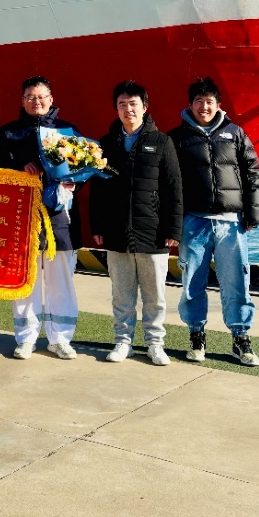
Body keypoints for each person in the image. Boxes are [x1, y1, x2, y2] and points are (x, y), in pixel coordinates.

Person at [169, 77, 259, 366]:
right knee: (192, 282)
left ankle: (240, 337)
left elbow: (252, 172)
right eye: (198, 101)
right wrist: (173, 222)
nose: (204, 107)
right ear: (190, 104)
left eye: (209, 101)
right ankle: (196, 335)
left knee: (237, 282)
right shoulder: (177, 138)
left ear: (218, 104)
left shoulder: (235, 133)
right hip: (194, 222)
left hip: (231, 224)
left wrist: (253, 212)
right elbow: (169, 183)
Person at [0, 76, 81, 361]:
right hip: (21, 217)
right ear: (22, 100)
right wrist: (19, 168)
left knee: (61, 280)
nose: (36, 101)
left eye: (41, 96)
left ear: (51, 99)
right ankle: (26, 337)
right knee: (24, 280)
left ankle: (60, 339)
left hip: (58, 218)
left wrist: (70, 181)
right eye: (30, 97)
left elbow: (83, 169)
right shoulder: (8, 133)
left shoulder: (67, 131)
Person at [90, 80, 182, 366]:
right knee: (122, 293)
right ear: (116, 109)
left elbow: (174, 188)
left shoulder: (162, 142)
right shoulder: (106, 144)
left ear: (145, 107)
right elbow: (98, 189)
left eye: (133, 104)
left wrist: (173, 229)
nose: (128, 109)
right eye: (122, 104)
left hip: (153, 232)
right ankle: (123, 342)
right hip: (116, 230)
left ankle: (155, 344)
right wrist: (97, 226)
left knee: (155, 296)